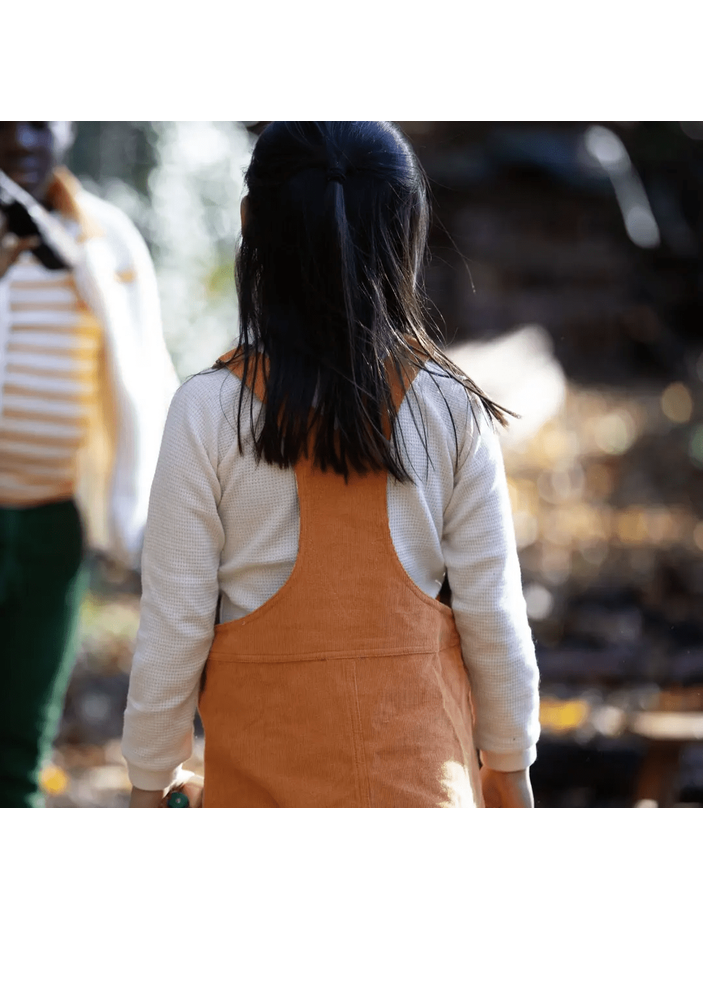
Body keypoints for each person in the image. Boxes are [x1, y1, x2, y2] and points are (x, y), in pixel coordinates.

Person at [122, 121, 540, 809]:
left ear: (248, 222)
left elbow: (174, 629)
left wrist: (147, 784)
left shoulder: (206, 411)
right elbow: (492, 615)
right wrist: (509, 774)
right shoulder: (450, 407)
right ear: (408, 231)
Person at [0, 121, 178, 807]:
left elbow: (146, 377)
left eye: (42, 117)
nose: (22, 134)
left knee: (21, 738)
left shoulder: (108, 239)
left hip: (54, 525)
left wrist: (144, 520)